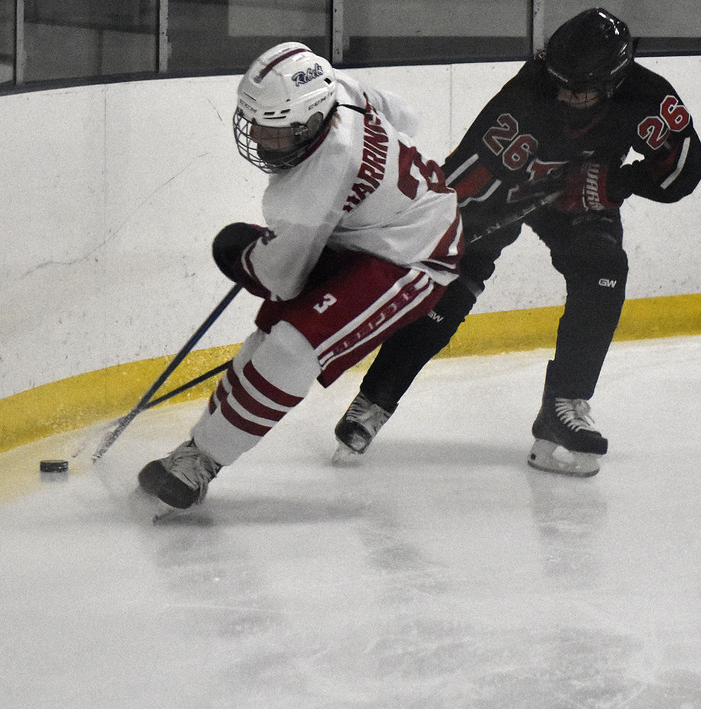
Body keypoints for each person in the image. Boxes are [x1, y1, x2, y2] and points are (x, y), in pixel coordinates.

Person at [332, 7, 701, 476]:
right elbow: (462, 181)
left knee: (604, 269)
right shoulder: (526, 97)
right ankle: (375, 399)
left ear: (614, 82)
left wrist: (617, 181)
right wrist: (423, 239)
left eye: (580, 89)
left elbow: (684, 169)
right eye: (559, 81)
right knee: (449, 279)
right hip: (507, 191)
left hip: (583, 198)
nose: (564, 94)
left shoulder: (648, 97)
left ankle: (564, 405)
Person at [136, 42, 463, 513]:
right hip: (361, 234)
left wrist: (241, 255)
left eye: (276, 133)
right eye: (258, 126)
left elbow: (281, 280)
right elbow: (406, 118)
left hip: (416, 253)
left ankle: (199, 463)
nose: (262, 141)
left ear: (311, 121)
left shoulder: (310, 189)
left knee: (292, 348)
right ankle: (195, 454)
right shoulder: (341, 90)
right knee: (269, 341)